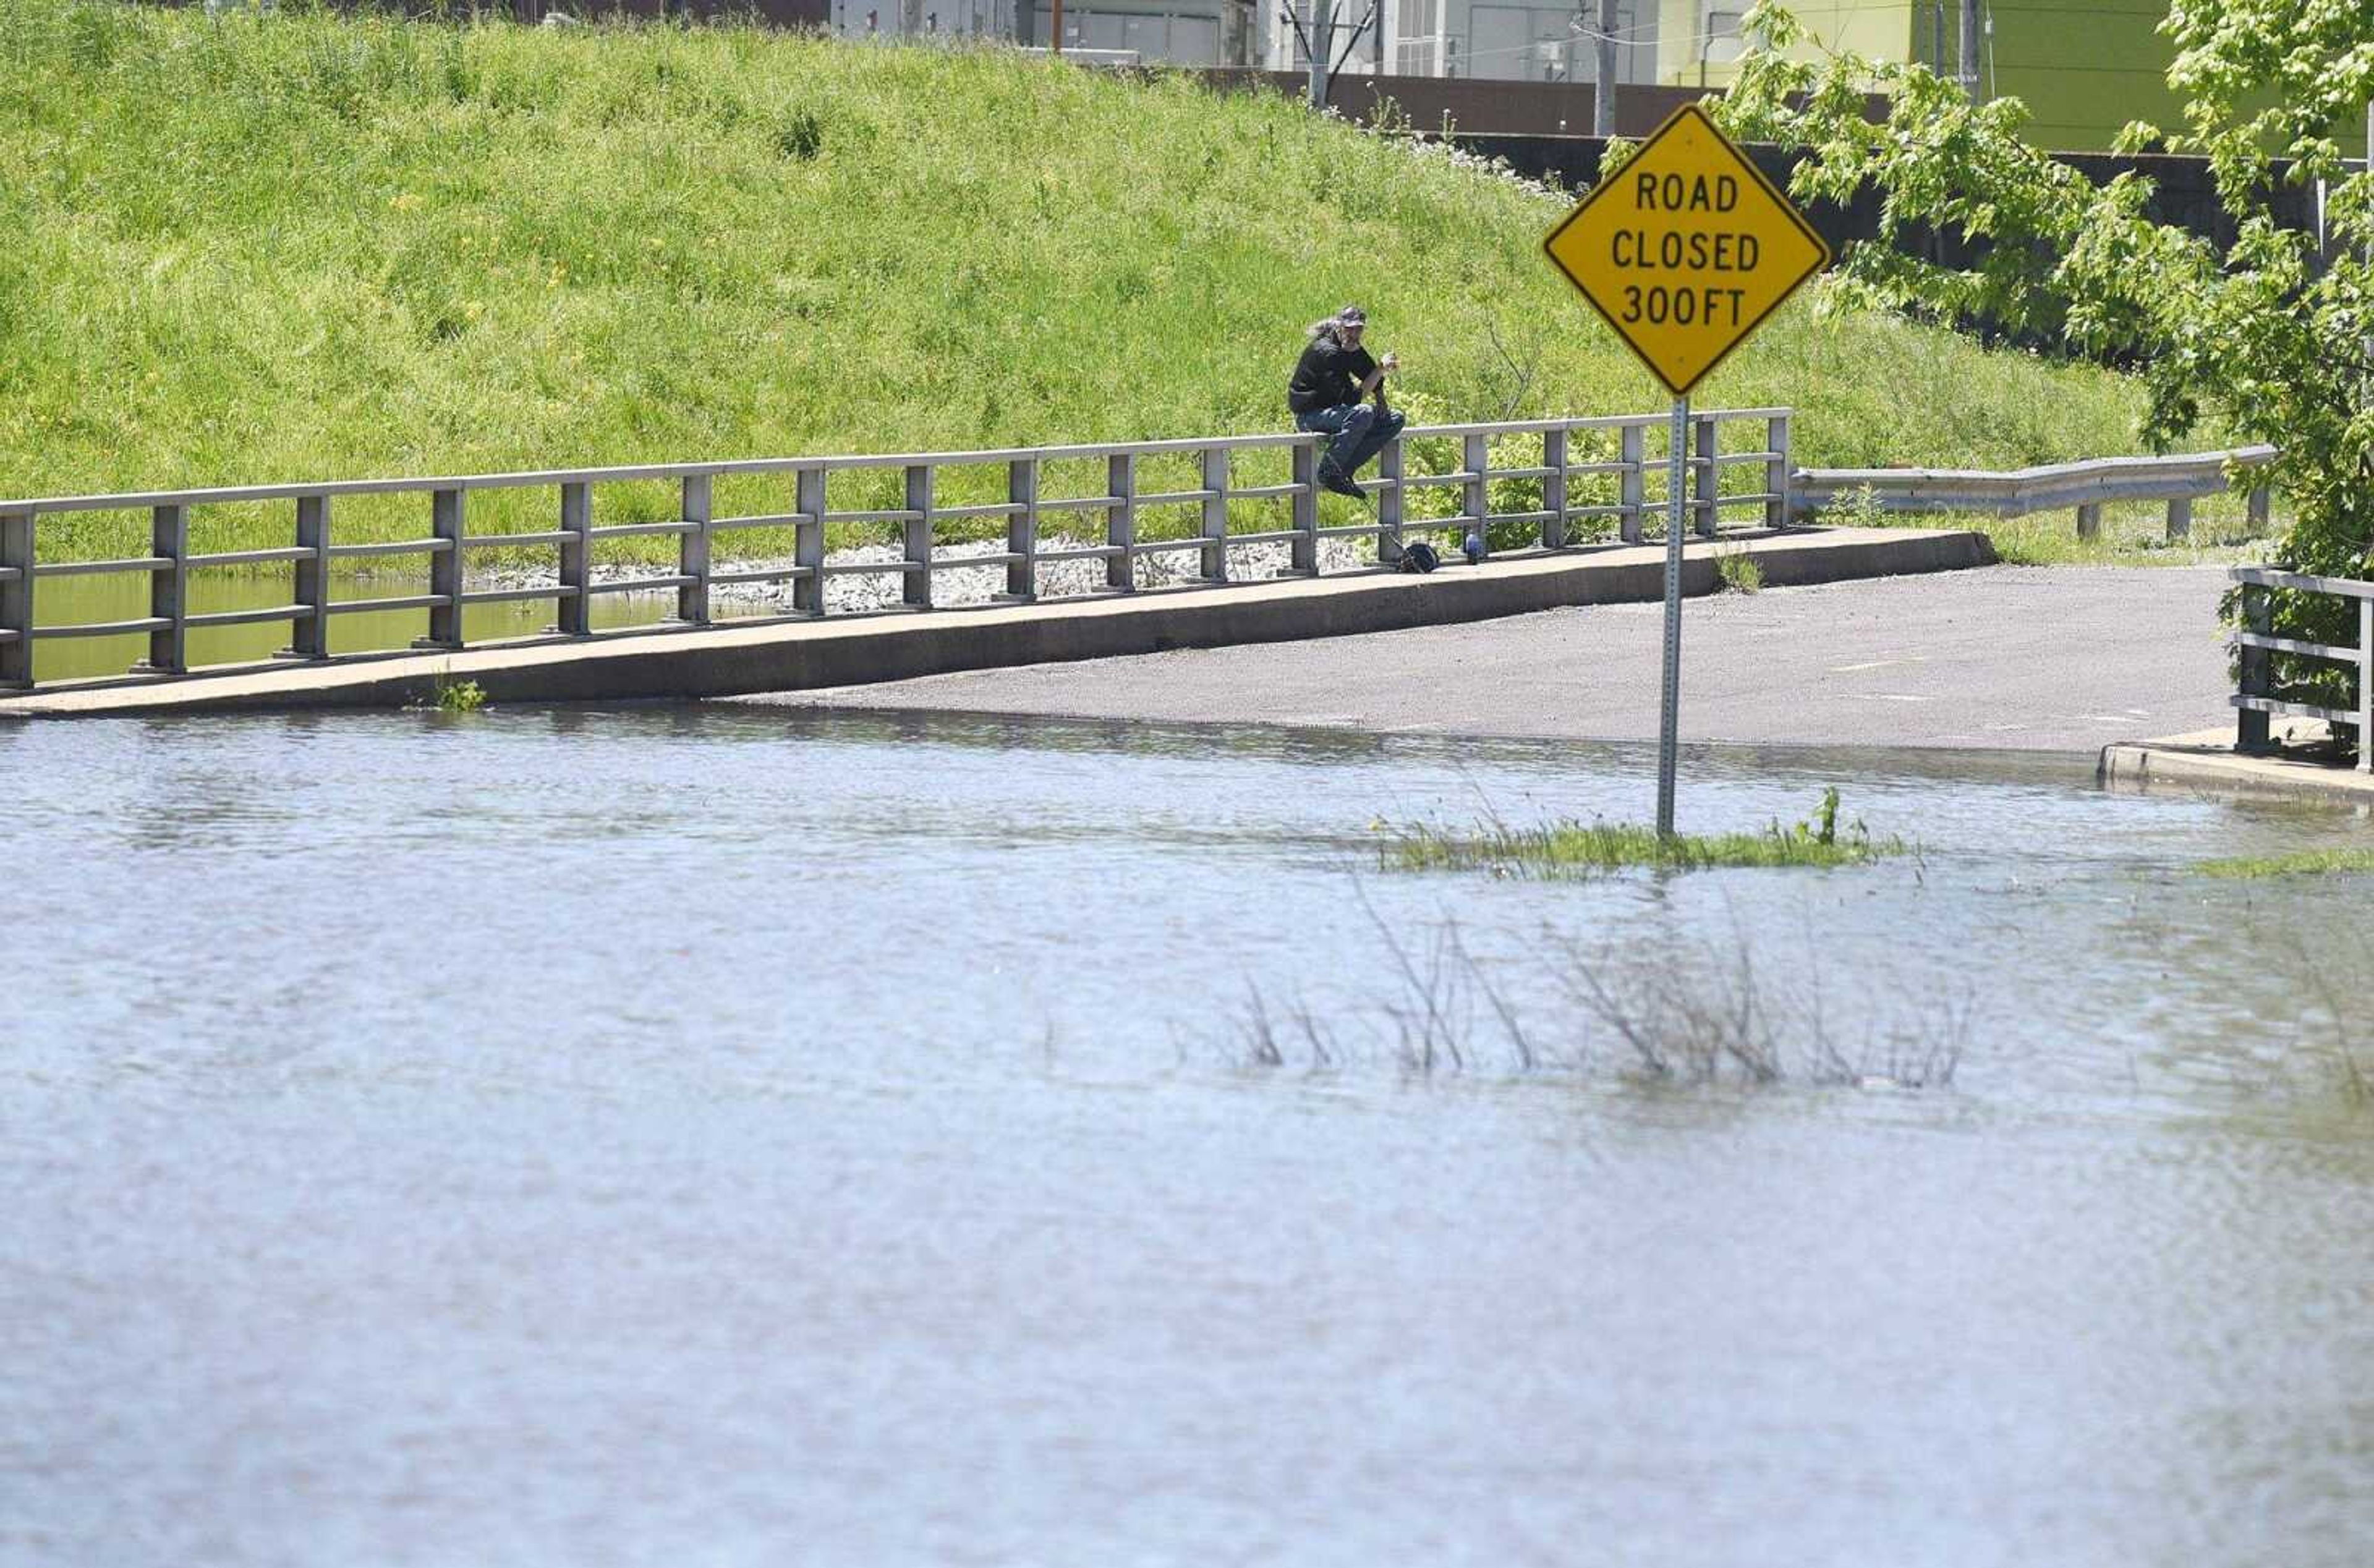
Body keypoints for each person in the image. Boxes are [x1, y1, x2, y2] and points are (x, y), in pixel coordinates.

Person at [1287, 306, 1406, 499]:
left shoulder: (1350, 346)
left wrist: (1381, 397)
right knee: (1364, 413)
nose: (1354, 334)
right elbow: (1352, 399)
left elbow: (1368, 372)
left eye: (1359, 329)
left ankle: (1344, 470)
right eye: (1349, 328)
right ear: (1339, 326)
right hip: (1310, 416)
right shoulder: (1328, 352)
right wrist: (1381, 369)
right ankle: (1329, 470)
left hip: (1336, 412)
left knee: (1395, 419)